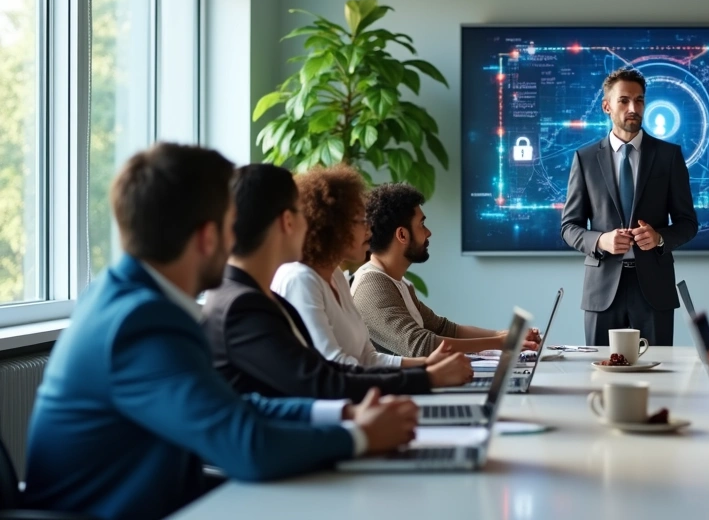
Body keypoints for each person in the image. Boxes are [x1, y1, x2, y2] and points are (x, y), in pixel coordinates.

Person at [21, 144, 419, 520]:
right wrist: (358, 436)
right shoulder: (139, 324)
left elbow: (236, 404)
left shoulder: (130, 301)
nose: (237, 240)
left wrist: (346, 414)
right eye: (232, 226)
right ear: (209, 236)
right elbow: (247, 444)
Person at [202, 164, 473, 401]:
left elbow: (347, 365)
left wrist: (425, 370)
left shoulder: (330, 279)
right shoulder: (261, 296)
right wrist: (426, 377)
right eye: (300, 213)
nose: (307, 224)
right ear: (288, 221)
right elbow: (323, 378)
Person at [560, 67, 699, 346]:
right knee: (600, 376)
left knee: (659, 378)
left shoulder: (668, 157)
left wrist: (660, 238)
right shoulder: (585, 159)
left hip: (654, 289)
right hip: (601, 290)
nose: (633, 108)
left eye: (639, 100)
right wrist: (601, 240)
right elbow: (569, 227)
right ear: (607, 106)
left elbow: (688, 223)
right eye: (624, 100)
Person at [352, 182, 540, 356]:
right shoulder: (371, 286)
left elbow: (446, 330)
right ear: (402, 234)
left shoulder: (398, 283)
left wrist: (506, 335)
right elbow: (422, 346)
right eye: (422, 225)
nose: (428, 233)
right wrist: (500, 343)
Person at [271, 165, 412, 368]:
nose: (369, 228)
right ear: (331, 226)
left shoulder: (336, 276)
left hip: (359, 392)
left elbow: (368, 358)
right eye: (360, 221)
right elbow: (333, 365)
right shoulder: (300, 280)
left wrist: (428, 365)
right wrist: (427, 375)